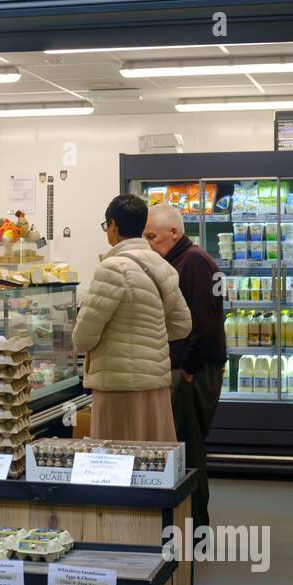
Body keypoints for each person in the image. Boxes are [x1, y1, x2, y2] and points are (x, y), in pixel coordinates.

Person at [72, 194, 191, 442]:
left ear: (113, 226)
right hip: (156, 385)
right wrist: (148, 339)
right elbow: (182, 325)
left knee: (117, 464)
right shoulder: (163, 266)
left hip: (119, 386)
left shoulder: (112, 268)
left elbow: (83, 338)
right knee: (152, 463)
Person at [144, 204, 226, 529]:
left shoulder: (193, 263)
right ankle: (189, 525)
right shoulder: (181, 260)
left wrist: (187, 369)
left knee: (190, 451)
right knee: (186, 448)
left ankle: (196, 529)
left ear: (173, 233)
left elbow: (204, 325)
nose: (148, 242)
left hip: (195, 371)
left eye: (152, 236)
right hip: (188, 368)